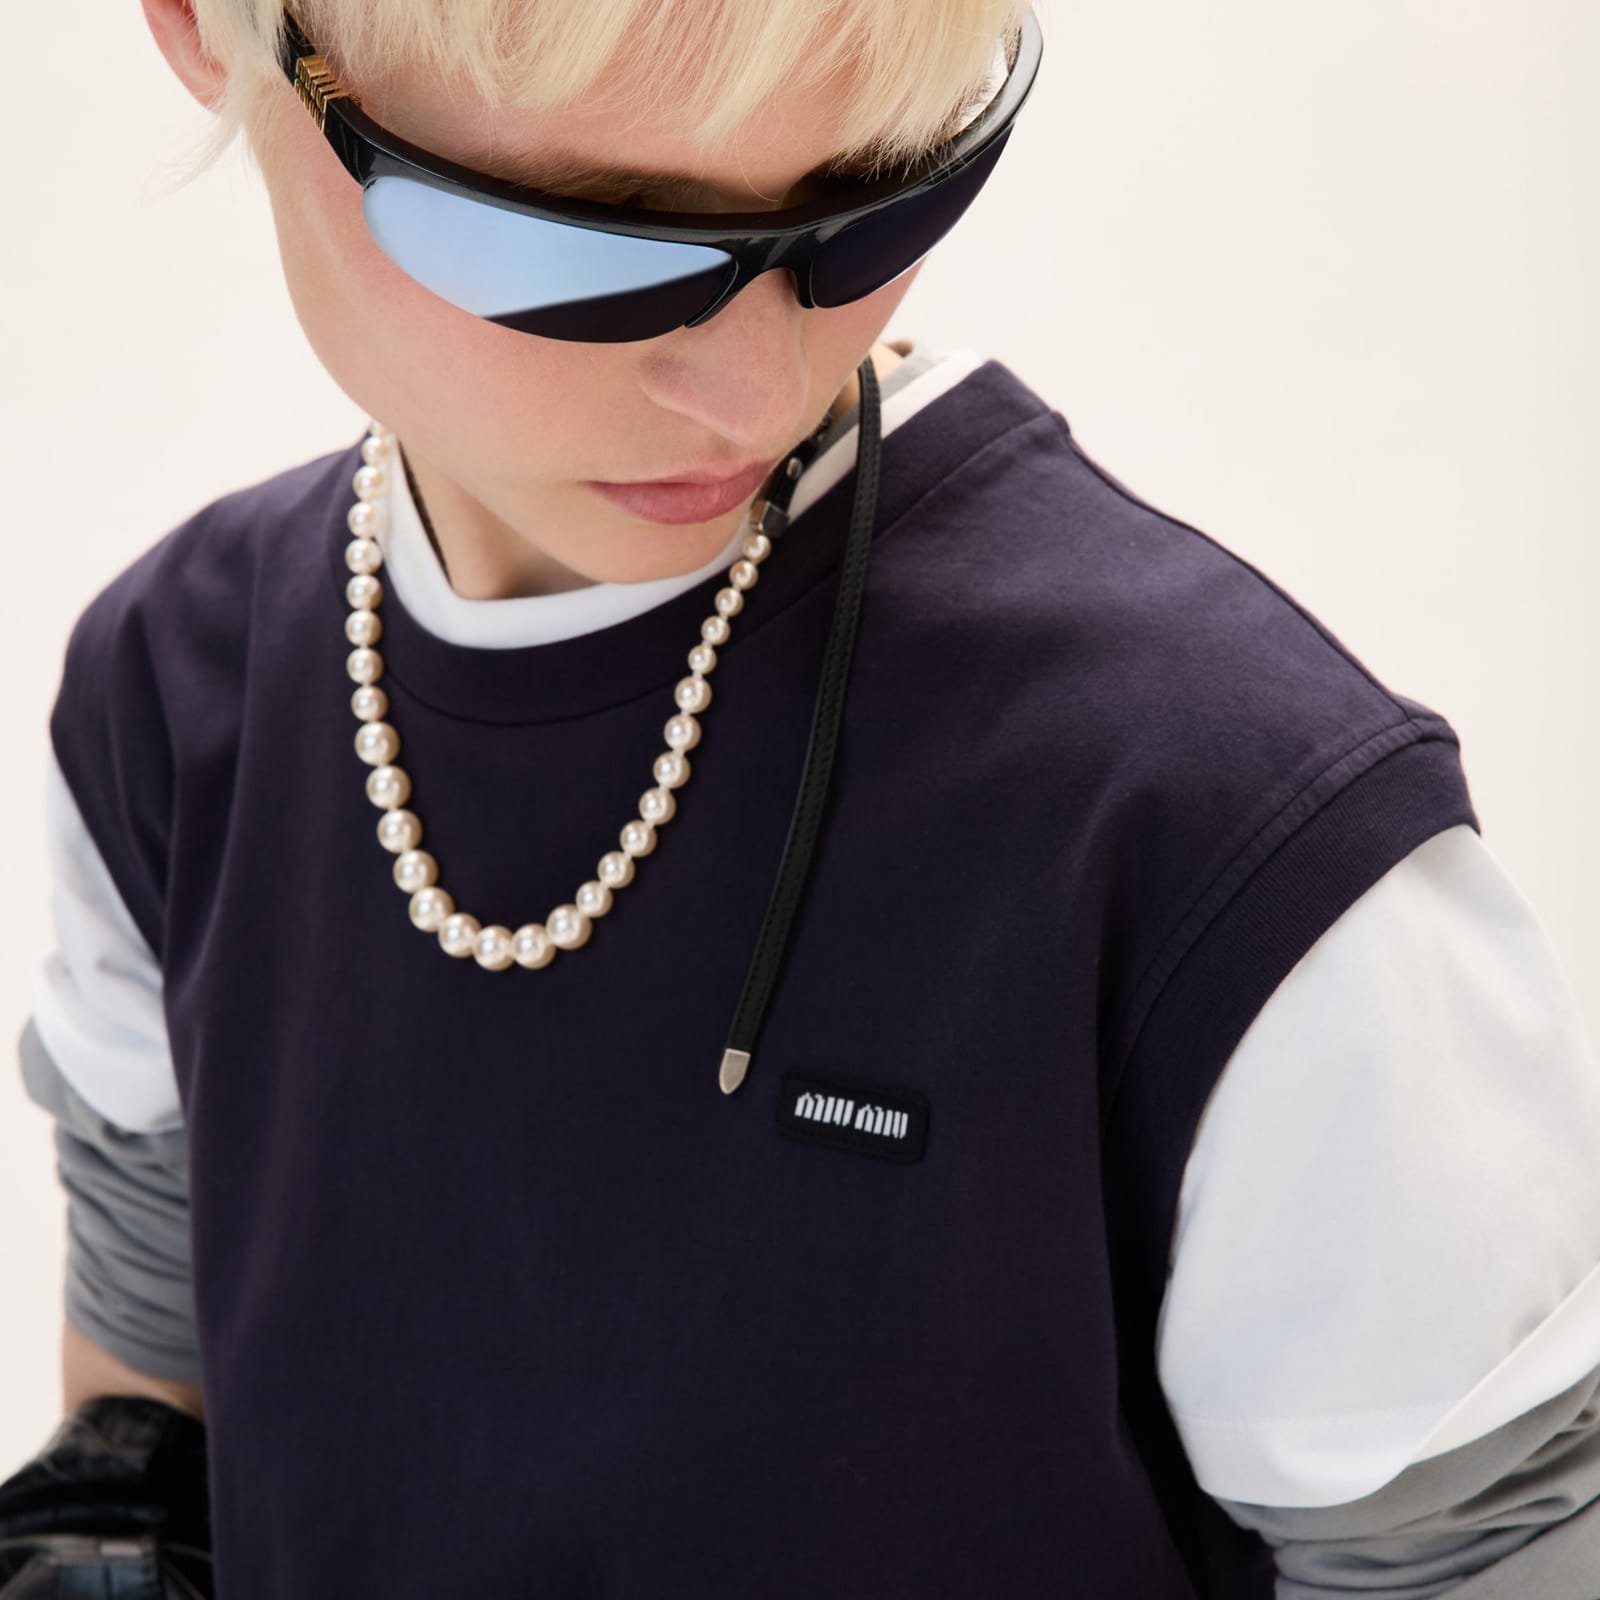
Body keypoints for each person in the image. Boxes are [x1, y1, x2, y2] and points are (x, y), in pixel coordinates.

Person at [5, 0, 1598, 1595]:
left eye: (875, 196)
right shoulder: (171, 694)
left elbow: (1479, 1553)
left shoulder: (1226, 831)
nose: (752, 388)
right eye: (592, 235)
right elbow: (144, 1428)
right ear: (209, 30)